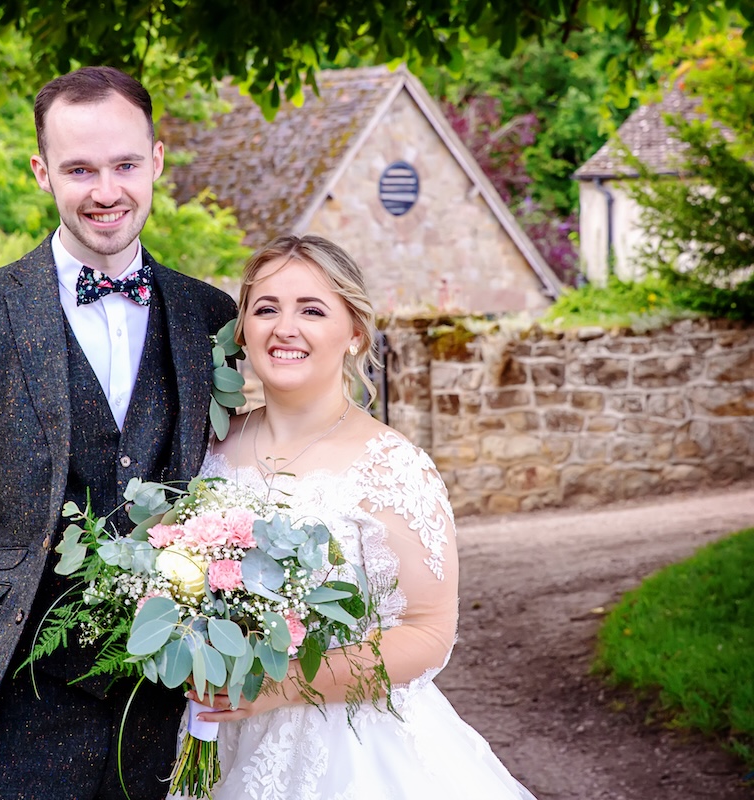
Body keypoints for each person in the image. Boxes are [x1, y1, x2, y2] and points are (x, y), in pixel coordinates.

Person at [0, 65, 236, 800]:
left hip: (166, 701)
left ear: (158, 162)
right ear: (42, 172)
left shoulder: (208, 316)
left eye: (124, 165)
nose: (105, 191)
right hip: (14, 699)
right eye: (80, 169)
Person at [185, 234, 536, 799]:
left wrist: (282, 684)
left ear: (354, 335)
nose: (285, 328)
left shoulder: (392, 467)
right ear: (242, 329)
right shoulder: (206, 451)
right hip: (212, 739)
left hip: (349, 749)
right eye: (266, 308)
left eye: (312, 310)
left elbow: (427, 633)